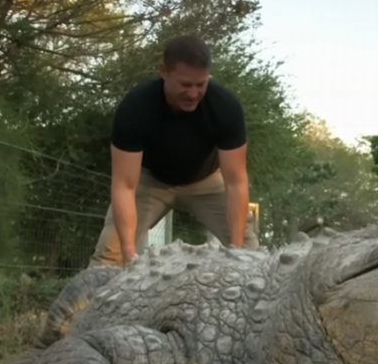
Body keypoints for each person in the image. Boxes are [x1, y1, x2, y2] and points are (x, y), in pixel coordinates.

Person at [88, 34, 258, 267]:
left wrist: (237, 253)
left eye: (201, 84)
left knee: (251, 254)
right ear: (164, 71)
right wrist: (128, 254)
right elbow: (124, 186)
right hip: (150, 181)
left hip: (207, 180)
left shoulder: (225, 107)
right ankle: (86, 303)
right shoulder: (135, 107)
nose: (193, 93)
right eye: (185, 84)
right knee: (108, 256)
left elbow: (236, 182)